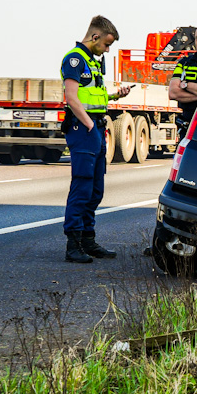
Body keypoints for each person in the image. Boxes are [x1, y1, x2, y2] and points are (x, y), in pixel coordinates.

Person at [61, 15, 133, 263]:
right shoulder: (74, 59)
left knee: (95, 190)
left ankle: (89, 241)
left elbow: (92, 96)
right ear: (95, 37)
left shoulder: (93, 61)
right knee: (81, 187)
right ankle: (74, 245)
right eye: (106, 44)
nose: (108, 49)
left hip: (97, 129)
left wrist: (115, 95)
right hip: (85, 131)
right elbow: (72, 97)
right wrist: (90, 126)